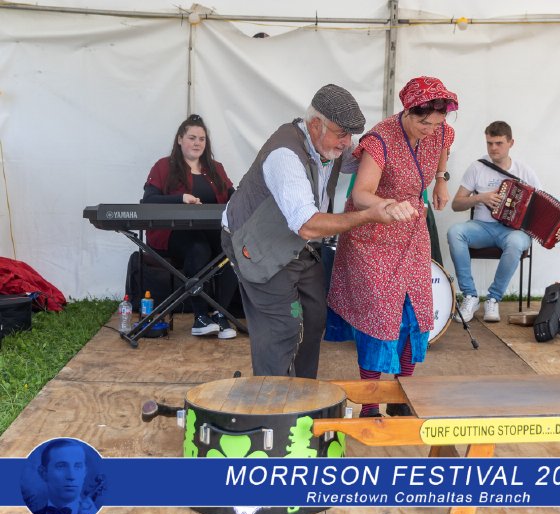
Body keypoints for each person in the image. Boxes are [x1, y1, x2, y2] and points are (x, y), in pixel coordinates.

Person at [221, 84, 396, 379]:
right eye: (342, 134)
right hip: (257, 244)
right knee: (282, 328)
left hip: (296, 243)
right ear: (316, 124)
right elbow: (307, 224)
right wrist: (367, 216)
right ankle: (272, 398)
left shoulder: (330, 145)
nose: (347, 143)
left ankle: (302, 394)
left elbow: (364, 159)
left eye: (350, 135)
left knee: (314, 317)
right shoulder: (285, 155)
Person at [326, 76, 456, 418]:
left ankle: (402, 396)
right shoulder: (381, 139)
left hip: (412, 233)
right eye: (424, 123)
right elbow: (360, 193)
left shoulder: (440, 131)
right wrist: (387, 205)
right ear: (407, 111)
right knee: (379, 319)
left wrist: (440, 179)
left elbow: (445, 144)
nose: (430, 131)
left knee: (415, 314)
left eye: (437, 124)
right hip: (372, 235)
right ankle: (370, 405)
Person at [447, 121, 560, 323]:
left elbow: (546, 207)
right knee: (455, 232)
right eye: (489, 143)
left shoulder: (524, 171)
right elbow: (456, 204)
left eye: (499, 143)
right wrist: (480, 198)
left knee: (515, 242)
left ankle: (493, 299)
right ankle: (470, 296)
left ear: (511, 143)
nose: (493, 148)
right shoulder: (477, 167)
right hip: (482, 227)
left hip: (513, 232)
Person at [142, 114, 238, 339]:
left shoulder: (216, 168)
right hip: (175, 233)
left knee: (233, 249)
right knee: (199, 248)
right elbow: (149, 200)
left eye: (202, 139)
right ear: (179, 139)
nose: (197, 143)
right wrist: (181, 198)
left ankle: (220, 313)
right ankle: (200, 317)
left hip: (212, 231)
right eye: (192, 138)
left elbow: (233, 197)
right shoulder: (164, 166)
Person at [32, 440, 99, 514]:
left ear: (84, 473)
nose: (71, 476)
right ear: (43, 473)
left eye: (77, 467)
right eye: (61, 466)